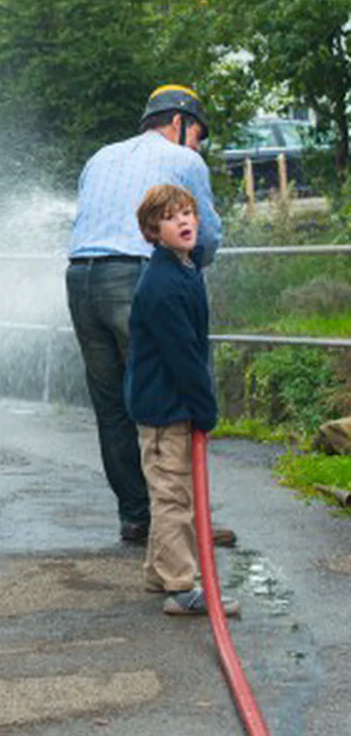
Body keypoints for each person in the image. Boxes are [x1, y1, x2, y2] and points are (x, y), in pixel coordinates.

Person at [68, 84, 233, 548]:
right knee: (170, 396)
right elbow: (206, 235)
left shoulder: (100, 157)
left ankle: (138, 518)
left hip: (80, 279)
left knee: (112, 406)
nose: (197, 146)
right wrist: (189, 270)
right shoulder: (184, 160)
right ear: (179, 123)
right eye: (197, 135)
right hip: (135, 278)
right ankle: (185, 523)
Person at [126, 184, 239, 617]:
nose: (184, 221)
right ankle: (181, 587)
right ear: (153, 232)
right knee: (173, 497)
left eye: (188, 213)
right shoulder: (163, 285)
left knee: (172, 492)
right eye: (171, 218)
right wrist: (204, 407)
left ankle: (159, 572)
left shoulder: (183, 268)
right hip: (164, 409)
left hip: (170, 403)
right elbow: (183, 354)